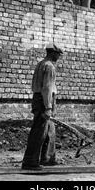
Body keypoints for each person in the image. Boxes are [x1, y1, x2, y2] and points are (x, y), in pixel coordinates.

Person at [22, 43, 64, 171]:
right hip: (43, 101)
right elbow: (47, 88)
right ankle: (30, 161)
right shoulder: (49, 66)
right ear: (53, 53)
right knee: (38, 132)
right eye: (58, 55)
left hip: (39, 99)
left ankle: (47, 158)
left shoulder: (41, 64)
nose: (59, 57)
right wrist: (48, 107)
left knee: (49, 130)